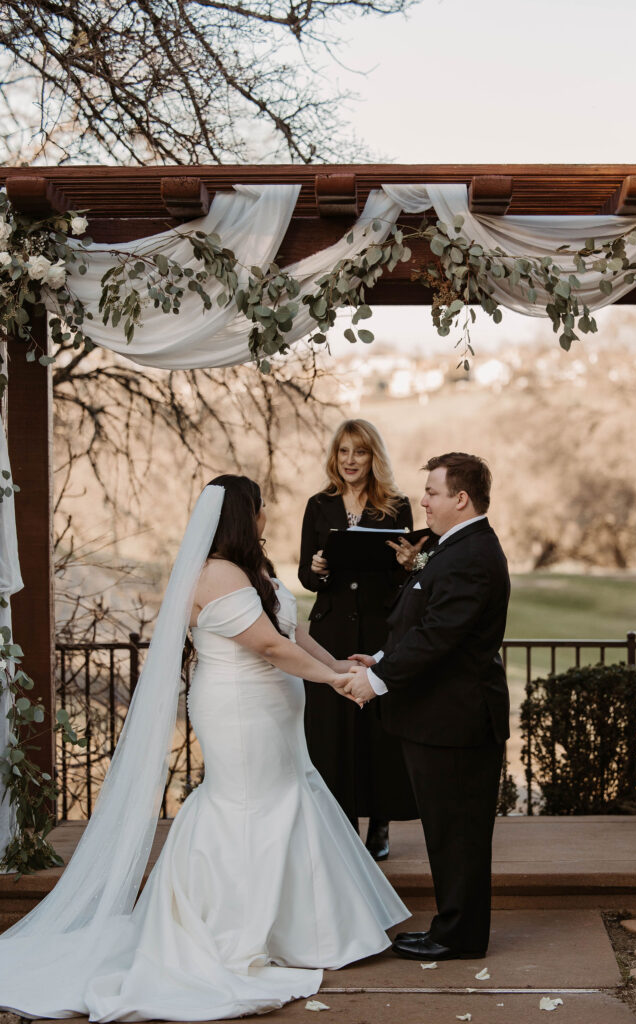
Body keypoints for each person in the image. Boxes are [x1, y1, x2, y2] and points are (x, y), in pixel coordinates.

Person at [0, 475, 409, 1021]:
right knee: (248, 803)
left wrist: (340, 663)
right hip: (239, 710)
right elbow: (265, 646)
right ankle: (232, 926)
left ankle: (301, 931)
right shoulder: (214, 573)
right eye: (260, 509)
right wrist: (331, 684)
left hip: (274, 712)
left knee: (289, 797)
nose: (266, 517)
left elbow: (291, 632)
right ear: (245, 515)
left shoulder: (252, 570)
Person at [345, 453, 510, 961]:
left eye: (433, 493)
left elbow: (440, 637)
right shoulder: (452, 549)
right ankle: (450, 927)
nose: (423, 502)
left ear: (461, 499)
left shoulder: (473, 554)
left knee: (458, 836)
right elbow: (422, 622)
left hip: (457, 722)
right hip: (440, 720)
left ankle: (458, 937)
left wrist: (376, 679)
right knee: (446, 833)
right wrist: (378, 655)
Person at [298, 420, 424, 860]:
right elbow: (305, 577)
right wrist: (317, 568)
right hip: (329, 634)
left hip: (376, 630)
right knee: (333, 730)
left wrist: (411, 563)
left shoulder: (397, 506)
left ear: (374, 458)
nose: (351, 461)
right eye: (344, 452)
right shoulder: (318, 505)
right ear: (335, 457)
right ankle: (342, 821)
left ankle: (381, 824)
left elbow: (404, 573)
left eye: (360, 452)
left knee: (377, 727)